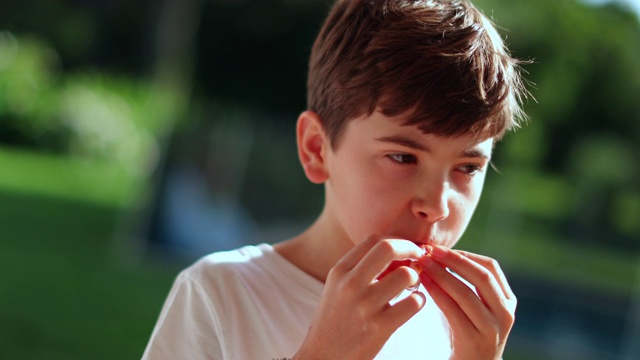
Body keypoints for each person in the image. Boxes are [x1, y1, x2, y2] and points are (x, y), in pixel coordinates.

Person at [142, 0, 529, 358]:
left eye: (468, 167)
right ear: (316, 149)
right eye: (402, 157)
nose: (437, 205)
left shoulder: (458, 328)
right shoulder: (220, 295)